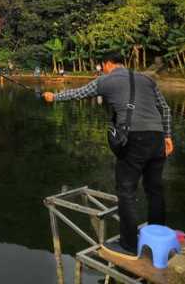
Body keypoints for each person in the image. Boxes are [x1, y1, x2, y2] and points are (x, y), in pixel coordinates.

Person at [42, 51, 173, 260]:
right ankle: (158, 237)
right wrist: (167, 136)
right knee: (154, 189)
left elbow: (78, 93)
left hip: (134, 140)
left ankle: (129, 245)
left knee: (126, 190)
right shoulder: (147, 79)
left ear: (108, 63)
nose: (101, 69)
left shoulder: (105, 80)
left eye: (102, 65)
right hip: (157, 138)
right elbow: (165, 109)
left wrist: (53, 97)